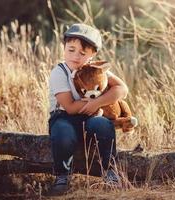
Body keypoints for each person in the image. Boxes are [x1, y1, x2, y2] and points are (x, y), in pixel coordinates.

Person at [46, 23, 128, 196]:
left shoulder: (95, 70)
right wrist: (92, 105)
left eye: (82, 53)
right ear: (64, 48)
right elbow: (69, 106)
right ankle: (62, 175)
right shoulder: (59, 72)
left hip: (91, 116)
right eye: (71, 50)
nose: (75, 56)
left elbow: (122, 89)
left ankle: (111, 171)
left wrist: (97, 103)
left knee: (103, 125)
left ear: (92, 55)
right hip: (63, 117)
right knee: (63, 133)